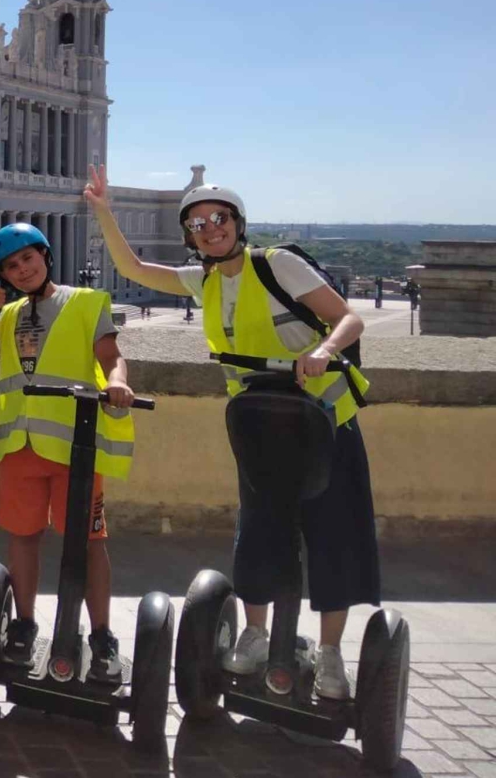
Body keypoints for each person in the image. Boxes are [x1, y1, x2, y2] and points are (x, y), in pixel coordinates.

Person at [84, 165, 378, 699]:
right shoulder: (204, 281)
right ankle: (257, 633)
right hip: (262, 427)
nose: (209, 228)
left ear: (237, 224)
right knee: (258, 534)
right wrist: (103, 211)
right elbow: (133, 267)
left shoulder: (278, 265)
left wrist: (322, 352)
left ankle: (331, 653)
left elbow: (347, 318)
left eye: (219, 218)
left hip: (324, 425)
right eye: (197, 224)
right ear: (189, 236)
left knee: (333, 536)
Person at [0, 223, 136, 683]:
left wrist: (118, 381)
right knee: (22, 537)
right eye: (11, 267)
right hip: (19, 444)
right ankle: (24, 622)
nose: (22, 270)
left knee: (88, 542)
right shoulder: (10, 314)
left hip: (74, 448)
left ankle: (101, 634)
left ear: (45, 255)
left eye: (28, 259)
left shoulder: (83, 302)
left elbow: (110, 354)